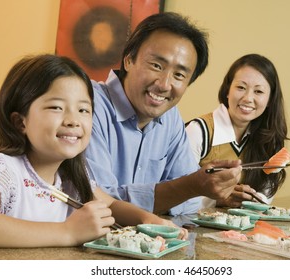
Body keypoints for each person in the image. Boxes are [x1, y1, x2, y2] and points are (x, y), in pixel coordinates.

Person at [0, 54, 186, 248]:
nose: (73, 120)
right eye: (56, 107)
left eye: (83, 110)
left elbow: (110, 204)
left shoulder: (71, 176)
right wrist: (67, 232)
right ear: (20, 122)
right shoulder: (2, 168)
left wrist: (149, 220)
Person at [85, 12, 242, 216]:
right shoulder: (87, 105)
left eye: (179, 75)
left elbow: (191, 203)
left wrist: (198, 188)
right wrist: (188, 187)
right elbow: (95, 200)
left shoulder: (170, 118)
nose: (164, 84)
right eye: (157, 66)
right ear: (129, 60)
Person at [186, 54, 290, 208]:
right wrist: (218, 200)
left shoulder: (267, 137)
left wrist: (251, 200)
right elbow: (176, 196)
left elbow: (264, 197)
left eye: (258, 92)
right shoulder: (198, 131)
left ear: (270, 100)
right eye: (241, 87)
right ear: (227, 90)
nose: (248, 98)